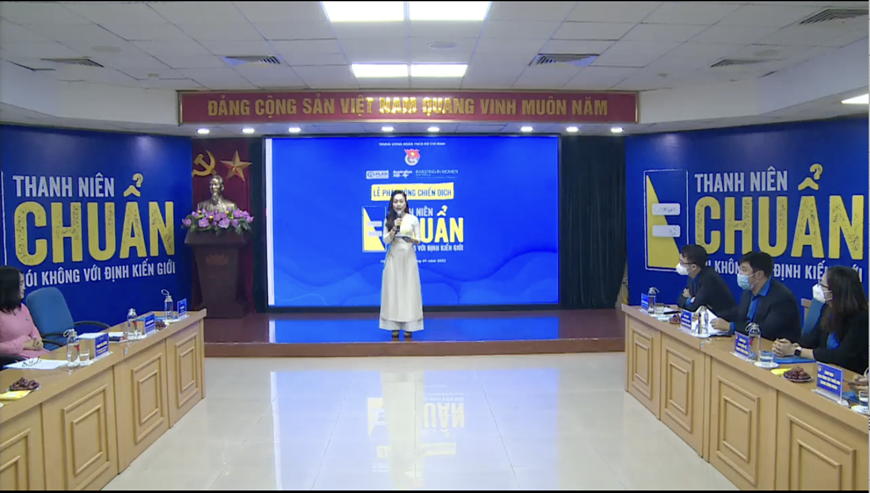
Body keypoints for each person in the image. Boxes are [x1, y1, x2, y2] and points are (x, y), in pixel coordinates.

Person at [773, 267, 868, 374]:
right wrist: (791, 345)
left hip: (850, 375)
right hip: (824, 370)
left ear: (835, 291)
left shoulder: (862, 319)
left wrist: (796, 351)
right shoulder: (828, 309)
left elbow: (840, 356)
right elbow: (812, 339)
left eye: (823, 285)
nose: (819, 288)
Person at [711, 251, 800, 341]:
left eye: (744, 270)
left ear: (759, 275)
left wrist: (730, 326)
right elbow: (738, 313)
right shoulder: (748, 291)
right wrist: (713, 315)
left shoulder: (782, 299)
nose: (740, 274)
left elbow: (764, 330)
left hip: (773, 346)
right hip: (749, 343)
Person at [380, 190, 424, 339]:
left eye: (401, 201)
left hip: (408, 258)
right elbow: (386, 240)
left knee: (409, 291)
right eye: (395, 201)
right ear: (392, 204)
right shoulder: (388, 219)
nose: (398, 204)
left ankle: (409, 326)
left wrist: (412, 240)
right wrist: (394, 228)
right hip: (393, 258)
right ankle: (393, 326)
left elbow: (419, 239)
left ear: (406, 203)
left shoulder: (413, 219)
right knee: (393, 292)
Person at [0, 267, 49, 359]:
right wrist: (23, 345)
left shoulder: (23, 308)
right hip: (16, 360)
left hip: (38, 355)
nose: (24, 288)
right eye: (20, 284)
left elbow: (33, 329)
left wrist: (37, 339)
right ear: (9, 287)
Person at [676, 244, 736, 316]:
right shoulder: (692, 275)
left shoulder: (709, 278)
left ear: (694, 267)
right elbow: (680, 299)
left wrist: (689, 300)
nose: (679, 265)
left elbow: (695, 307)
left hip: (723, 318)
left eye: (682, 262)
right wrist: (690, 300)